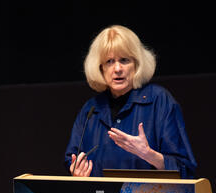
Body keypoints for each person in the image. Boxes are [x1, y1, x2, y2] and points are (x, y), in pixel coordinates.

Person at [64, 25, 197, 178]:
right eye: (109, 61)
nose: (118, 68)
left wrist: (148, 154)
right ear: (100, 68)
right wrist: (77, 173)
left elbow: (184, 169)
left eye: (124, 60)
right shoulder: (91, 110)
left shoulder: (159, 100)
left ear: (136, 64)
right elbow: (72, 161)